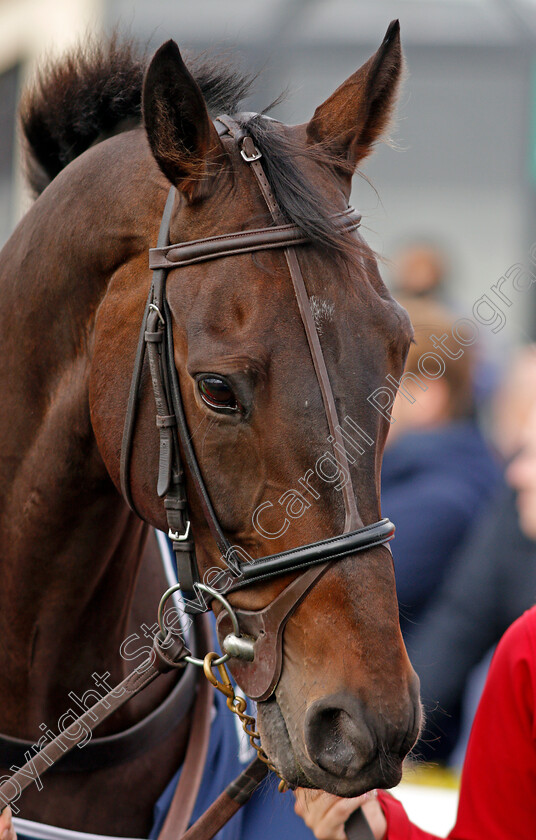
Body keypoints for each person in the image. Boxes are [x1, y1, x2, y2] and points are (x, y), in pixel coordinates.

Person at [294, 401, 536, 840]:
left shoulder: (528, 649)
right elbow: (458, 620)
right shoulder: (525, 645)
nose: (517, 473)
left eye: (534, 455)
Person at [381, 297, 499, 639]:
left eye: (375, 384)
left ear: (426, 393)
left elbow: (340, 600)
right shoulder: (421, 477)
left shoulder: (442, 500)